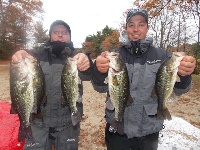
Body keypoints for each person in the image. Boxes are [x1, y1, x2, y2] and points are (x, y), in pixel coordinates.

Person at [91, 8, 196, 150]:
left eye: (141, 24)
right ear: (126, 28)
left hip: (149, 132)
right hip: (118, 129)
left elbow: (180, 89)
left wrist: (185, 75)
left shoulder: (164, 57)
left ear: (147, 27)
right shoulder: (114, 56)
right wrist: (98, 72)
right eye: (131, 25)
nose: (136, 29)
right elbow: (99, 87)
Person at [11, 20, 93, 150]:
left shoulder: (75, 58)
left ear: (70, 36)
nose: (60, 35)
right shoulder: (37, 56)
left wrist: (87, 63)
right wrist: (21, 54)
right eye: (56, 32)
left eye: (64, 32)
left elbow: (90, 73)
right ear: (50, 36)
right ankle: (25, 126)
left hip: (67, 125)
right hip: (38, 123)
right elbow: (27, 54)